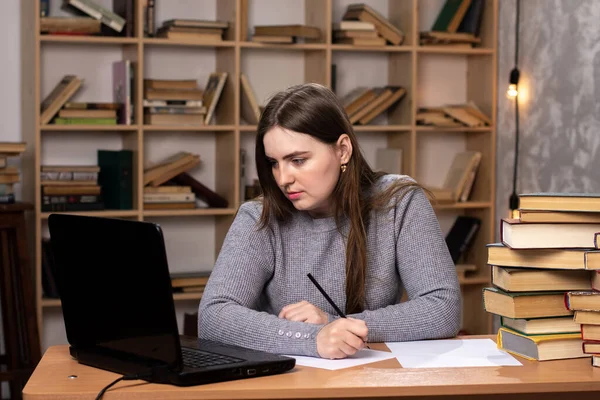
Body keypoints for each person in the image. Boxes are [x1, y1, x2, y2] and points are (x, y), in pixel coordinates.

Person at [197, 83, 461, 359]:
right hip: (288, 385)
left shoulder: (399, 201)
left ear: (343, 150)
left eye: (297, 160)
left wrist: (338, 326)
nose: (283, 178)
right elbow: (213, 317)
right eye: (274, 163)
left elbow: (442, 308)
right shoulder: (259, 216)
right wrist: (313, 339)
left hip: (374, 380)